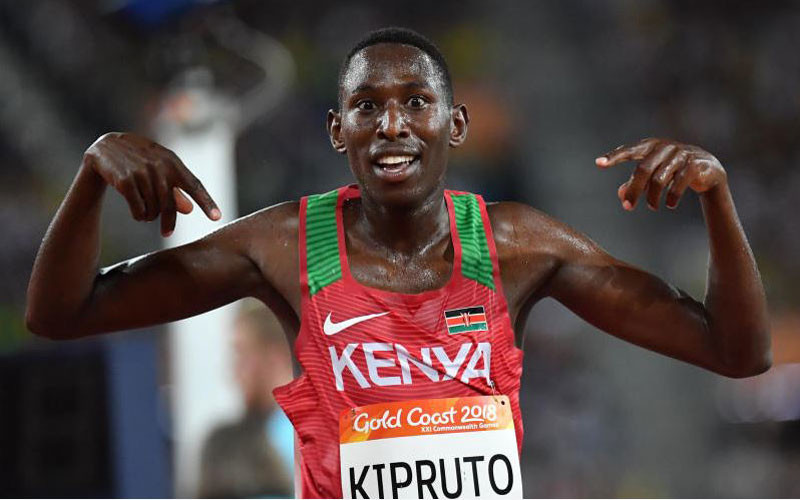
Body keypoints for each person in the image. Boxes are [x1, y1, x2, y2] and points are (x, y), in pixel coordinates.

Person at [26, 27, 771, 498]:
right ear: (336, 130)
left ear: (456, 124)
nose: (391, 125)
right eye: (366, 106)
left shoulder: (518, 246)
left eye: (417, 102)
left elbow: (738, 353)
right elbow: (62, 314)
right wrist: (91, 178)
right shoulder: (285, 245)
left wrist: (716, 198)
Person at [198, 298, 294, 498]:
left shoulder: (293, 440)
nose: (235, 372)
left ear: (276, 355)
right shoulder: (236, 440)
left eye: (241, 353)